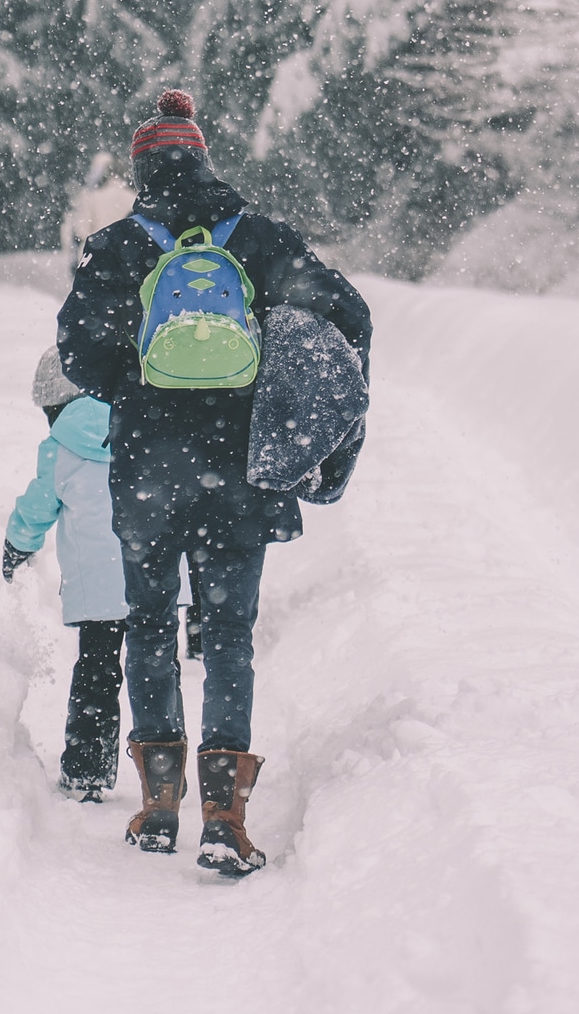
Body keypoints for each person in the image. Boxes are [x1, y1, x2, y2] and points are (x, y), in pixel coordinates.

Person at [57, 88, 371, 877]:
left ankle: (160, 806)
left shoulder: (119, 245)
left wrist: (140, 374)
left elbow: (79, 361)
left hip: (145, 472)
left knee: (151, 624)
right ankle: (225, 818)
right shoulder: (260, 239)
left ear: (141, 169)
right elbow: (350, 314)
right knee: (229, 636)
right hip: (239, 470)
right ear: (202, 157)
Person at [2, 348, 129, 798]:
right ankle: (165, 776)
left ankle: (86, 771)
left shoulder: (60, 447)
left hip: (96, 588)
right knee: (159, 671)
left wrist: (16, 545)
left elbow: (38, 506)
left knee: (97, 672)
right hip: (152, 573)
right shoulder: (140, 422)